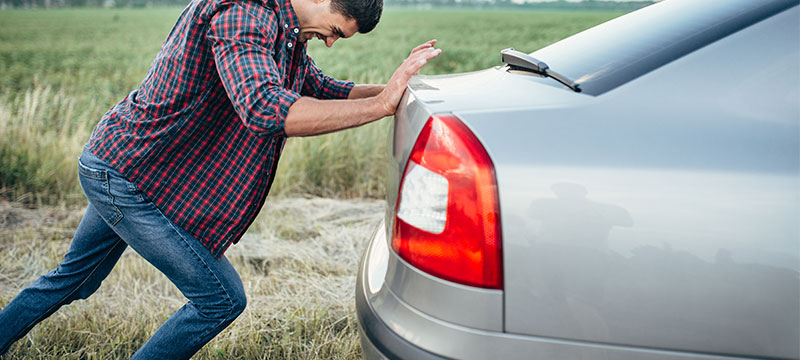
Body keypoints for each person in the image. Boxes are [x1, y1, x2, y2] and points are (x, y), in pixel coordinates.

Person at [0, 0, 441, 356]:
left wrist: (397, 93)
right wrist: (380, 105)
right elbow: (263, 108)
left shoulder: (284, 31)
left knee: (74, 279)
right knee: (222, 299)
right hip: (126, 173)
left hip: (141, 172)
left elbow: (316, 86)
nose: (329, 42)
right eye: (335, 30)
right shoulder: (243, 13)